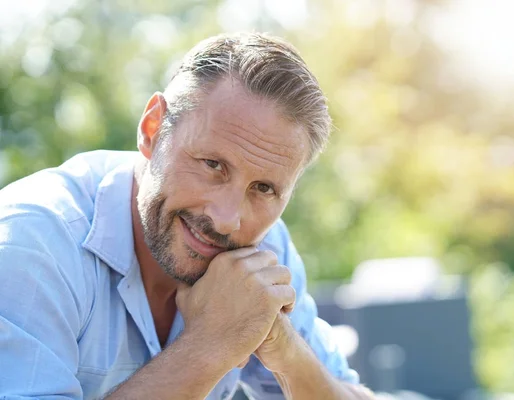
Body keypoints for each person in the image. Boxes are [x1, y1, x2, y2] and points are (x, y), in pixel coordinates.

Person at [0, 32, 375, 399]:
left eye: (263, 189)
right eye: (213, 165)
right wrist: (211, 344)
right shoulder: (34, 243)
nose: (228, 219)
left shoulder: (265, 249)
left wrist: (284, 347)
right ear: (152, 130)